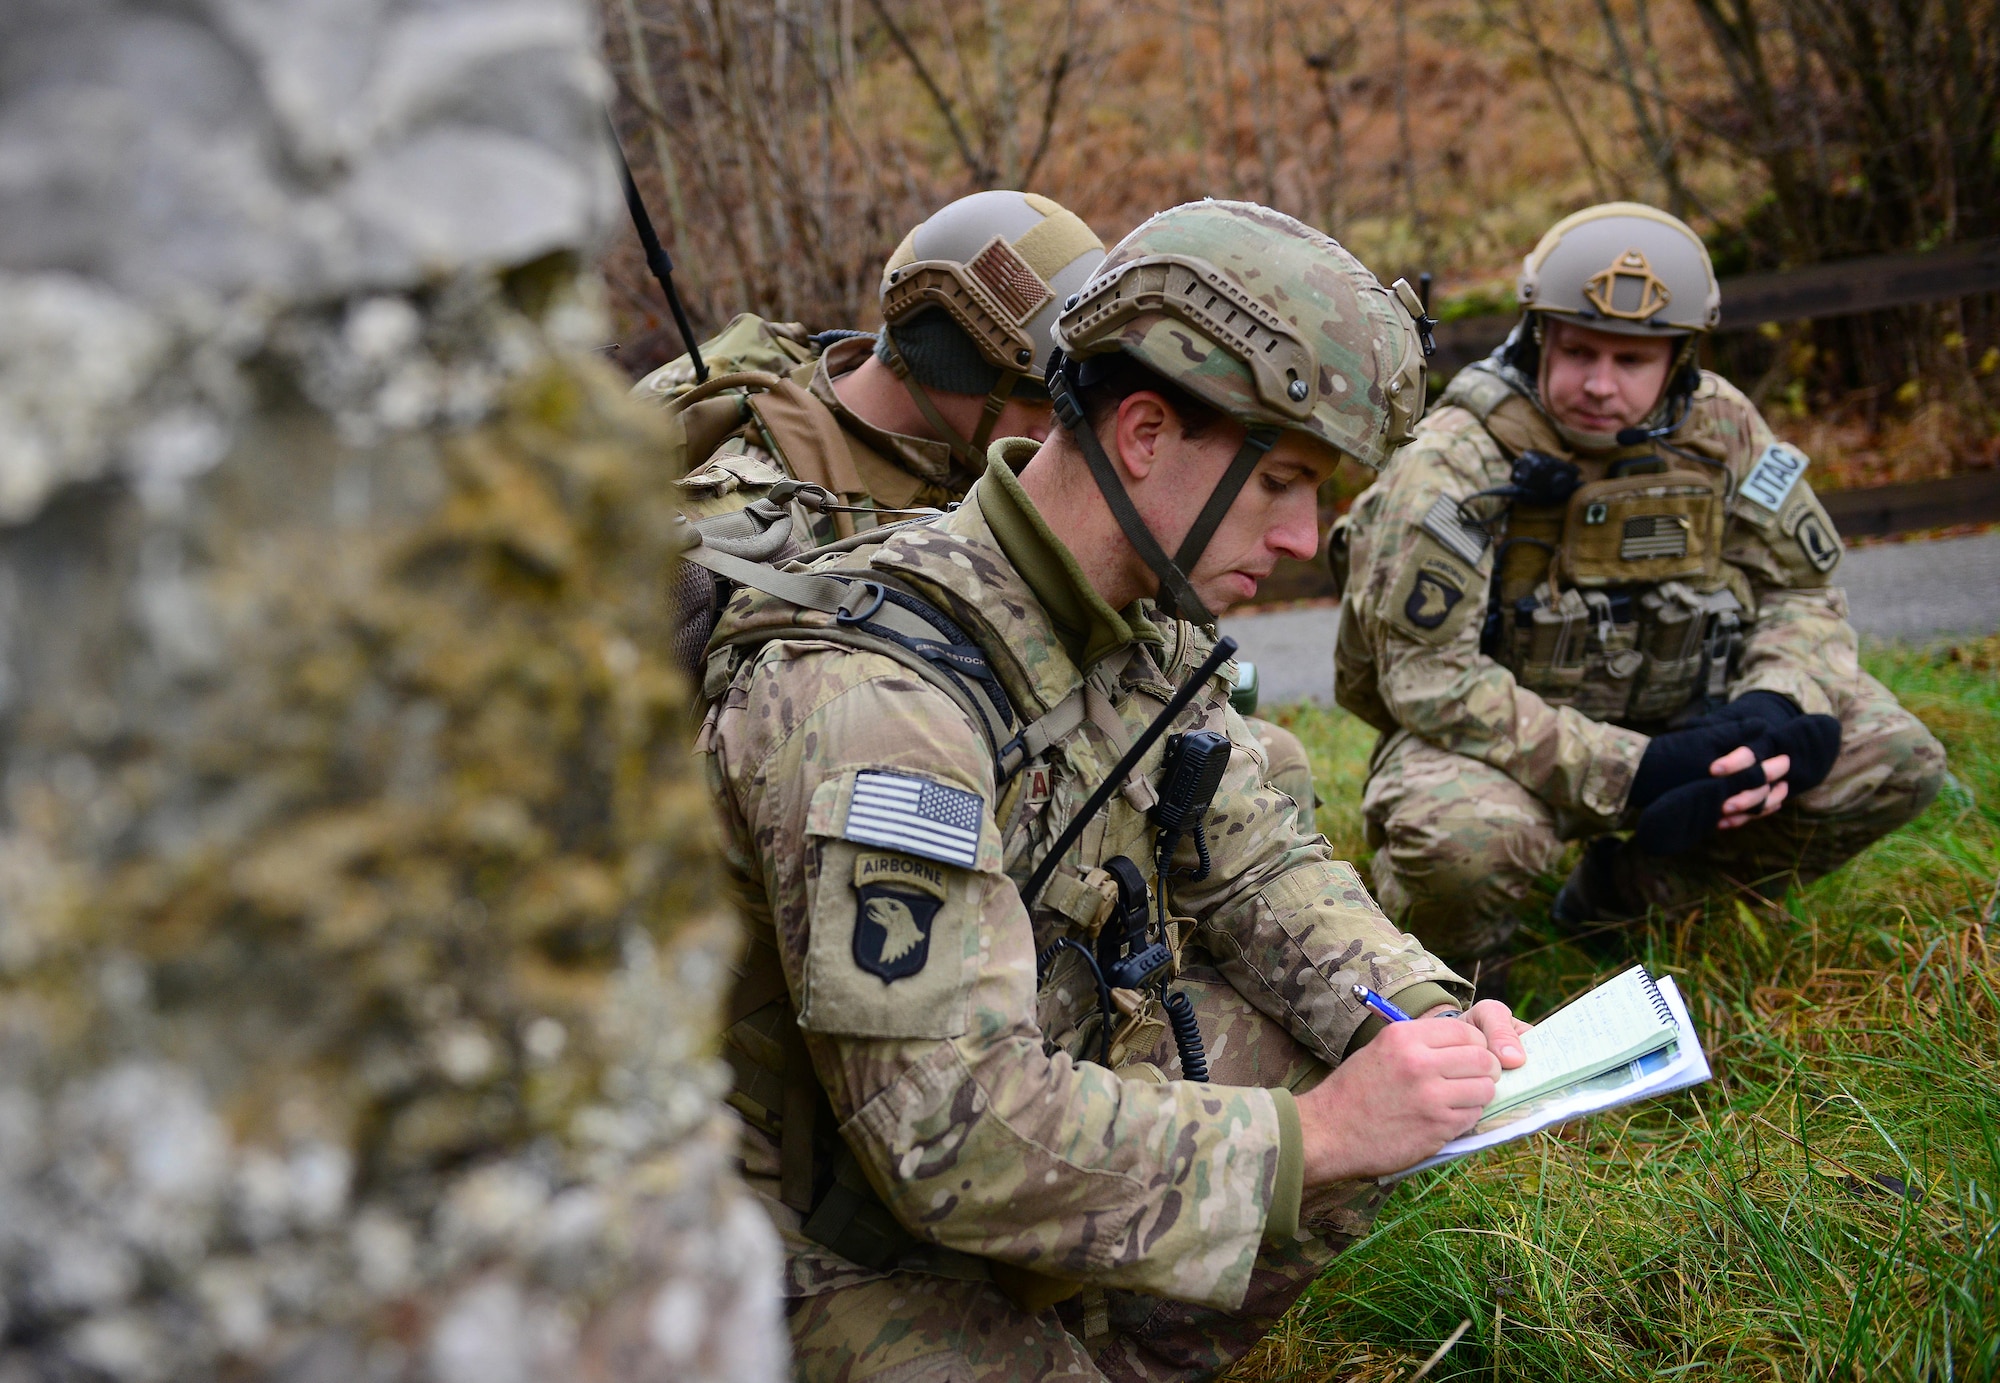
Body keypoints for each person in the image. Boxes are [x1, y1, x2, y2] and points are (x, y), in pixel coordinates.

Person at [697, 200, 1529, 1381]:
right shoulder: (876, 703)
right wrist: (1320, 1132)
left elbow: (1258, 863)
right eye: (1281, 482)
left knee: (1364, 1127)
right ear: (1142, 433)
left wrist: (1416, 1013)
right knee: (1330, 1141)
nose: (1302, 536)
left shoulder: (1133, 626)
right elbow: (943, 1129)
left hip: (984, 1113)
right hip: (782, 1229)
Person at [1332, 201, 1946, 997]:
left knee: (1895, 758)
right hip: (1499, 742)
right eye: (1579, 350)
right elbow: (1429, 679)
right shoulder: (1456, 459)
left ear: (1679, 359)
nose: (1597, 384)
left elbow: (1802, 586)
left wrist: (1771, 705)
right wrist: (1640, 770)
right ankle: (1459, 982)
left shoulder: (1722, 427)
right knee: (1466, 842)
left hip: (1688, 711)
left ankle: (1628, 900)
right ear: (1538, 335)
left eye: (1631, 360)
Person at [650, 188, 1321, 826]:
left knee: (1264, 761)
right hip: (856, 782)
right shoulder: (763, 513)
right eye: (1044, 401)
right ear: (977, 381)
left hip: (1028, 752)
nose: (1069, 428)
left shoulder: (968, 461)